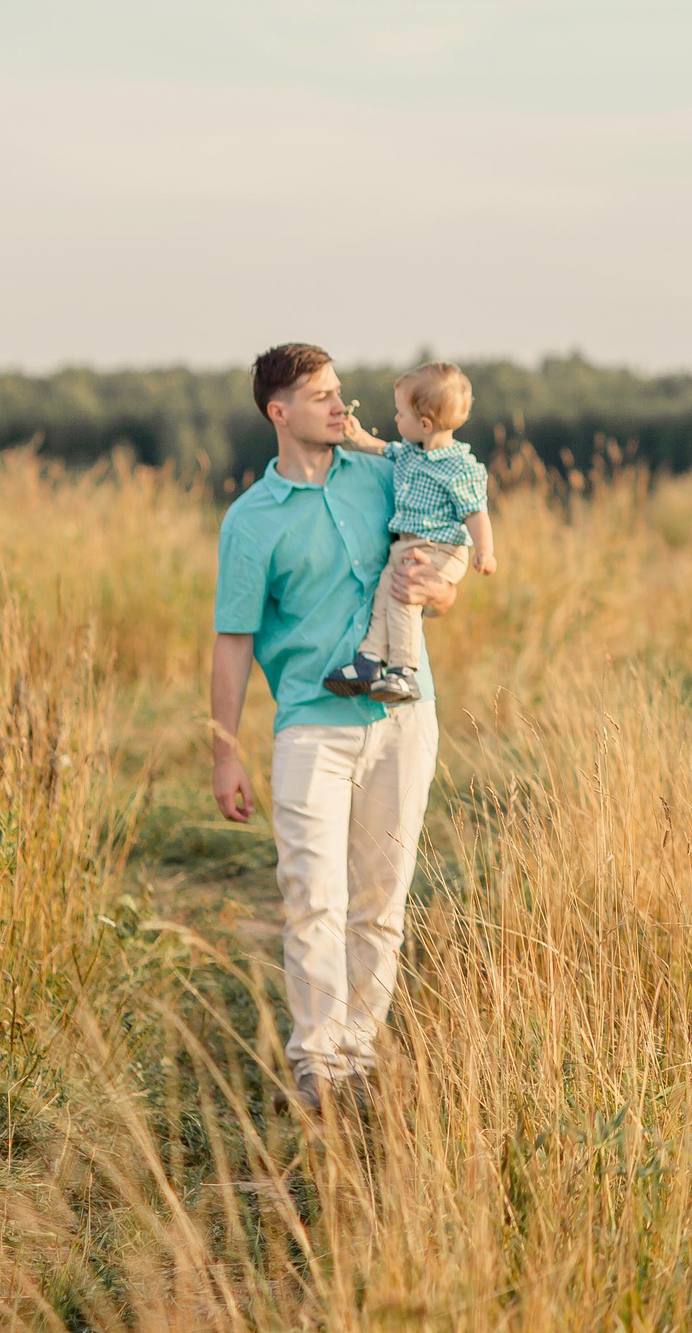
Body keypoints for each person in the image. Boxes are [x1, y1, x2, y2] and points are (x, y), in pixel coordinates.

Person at [208, 343, 460, 1116]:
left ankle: (357, 1056)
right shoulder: (250, 521)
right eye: (321, 395)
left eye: (339, 390)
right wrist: (224, 753)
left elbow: (444, 566)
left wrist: (439, 588)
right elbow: (233, 640)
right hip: (311, 730)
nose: (340, 404)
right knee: (313, 896)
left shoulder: (386, 477)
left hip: (404, 720)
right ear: (279, 411)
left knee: (380, 902)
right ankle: (318, 1067)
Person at [327, 361, 497, 705]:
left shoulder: (459, 467)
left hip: (439, 548)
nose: (395, 418)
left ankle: (404, 670)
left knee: (404, 597)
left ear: (425, 424)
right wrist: (357, 436)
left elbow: (476, 512)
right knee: (385, 593)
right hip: (407, 545)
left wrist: (485, 551)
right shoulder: (409, 453)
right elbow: (380, 447)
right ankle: (370, 660)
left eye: (400, 413)